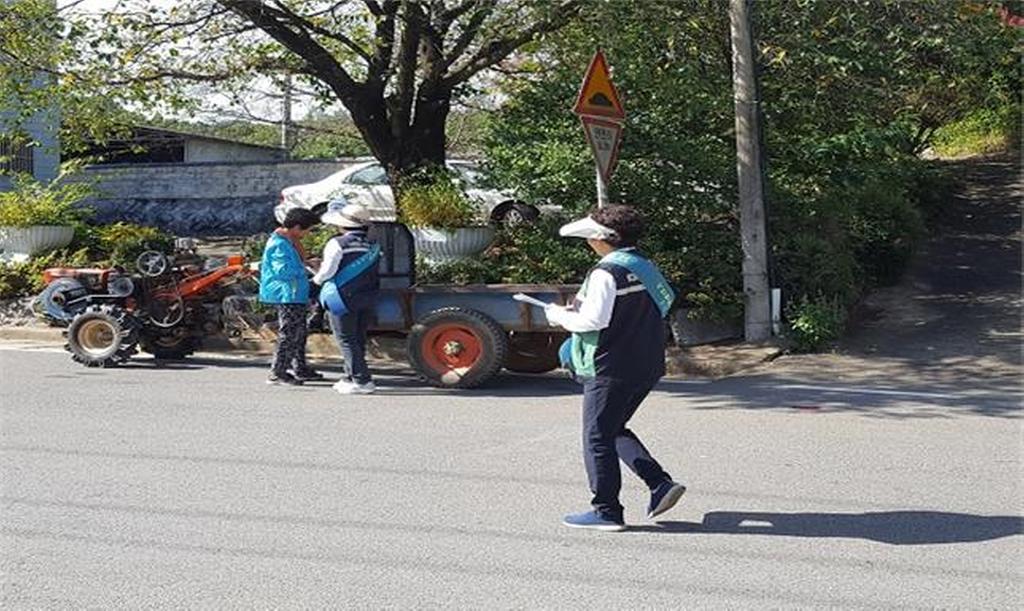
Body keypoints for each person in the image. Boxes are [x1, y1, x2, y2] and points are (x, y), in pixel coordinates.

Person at [544, 204, 686, 532]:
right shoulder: (643, 265)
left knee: (597, 436)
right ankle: (659, 483)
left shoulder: (606, 272)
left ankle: (606, 510)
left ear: (601, 239)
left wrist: (557, 315)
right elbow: (660, 304)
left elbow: (592, 320)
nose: (588, 242)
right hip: (647, 362)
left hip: (609, 365)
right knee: (612, 427)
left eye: (590, 237)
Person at [312, 202, 380, 395]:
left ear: (342, 224)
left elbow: (327, 272)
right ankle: (350, 376)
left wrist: (314, 280)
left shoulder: (337, 243)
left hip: (342, 297)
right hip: (367, 296)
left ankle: (362, 380)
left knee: (346, 339)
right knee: (358, 338)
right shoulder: (372, 245)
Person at [259, 207, 322, 386]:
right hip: (288, 293)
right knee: (289, 333)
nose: (308, 234)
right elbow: (283, 270)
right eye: (307, 229)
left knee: (299, 333)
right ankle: (277, 371)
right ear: (296, 227)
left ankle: (299, 367)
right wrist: (306, 267)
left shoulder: (287, 241)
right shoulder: (280, 243)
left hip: (295, 292)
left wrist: (306, 263)